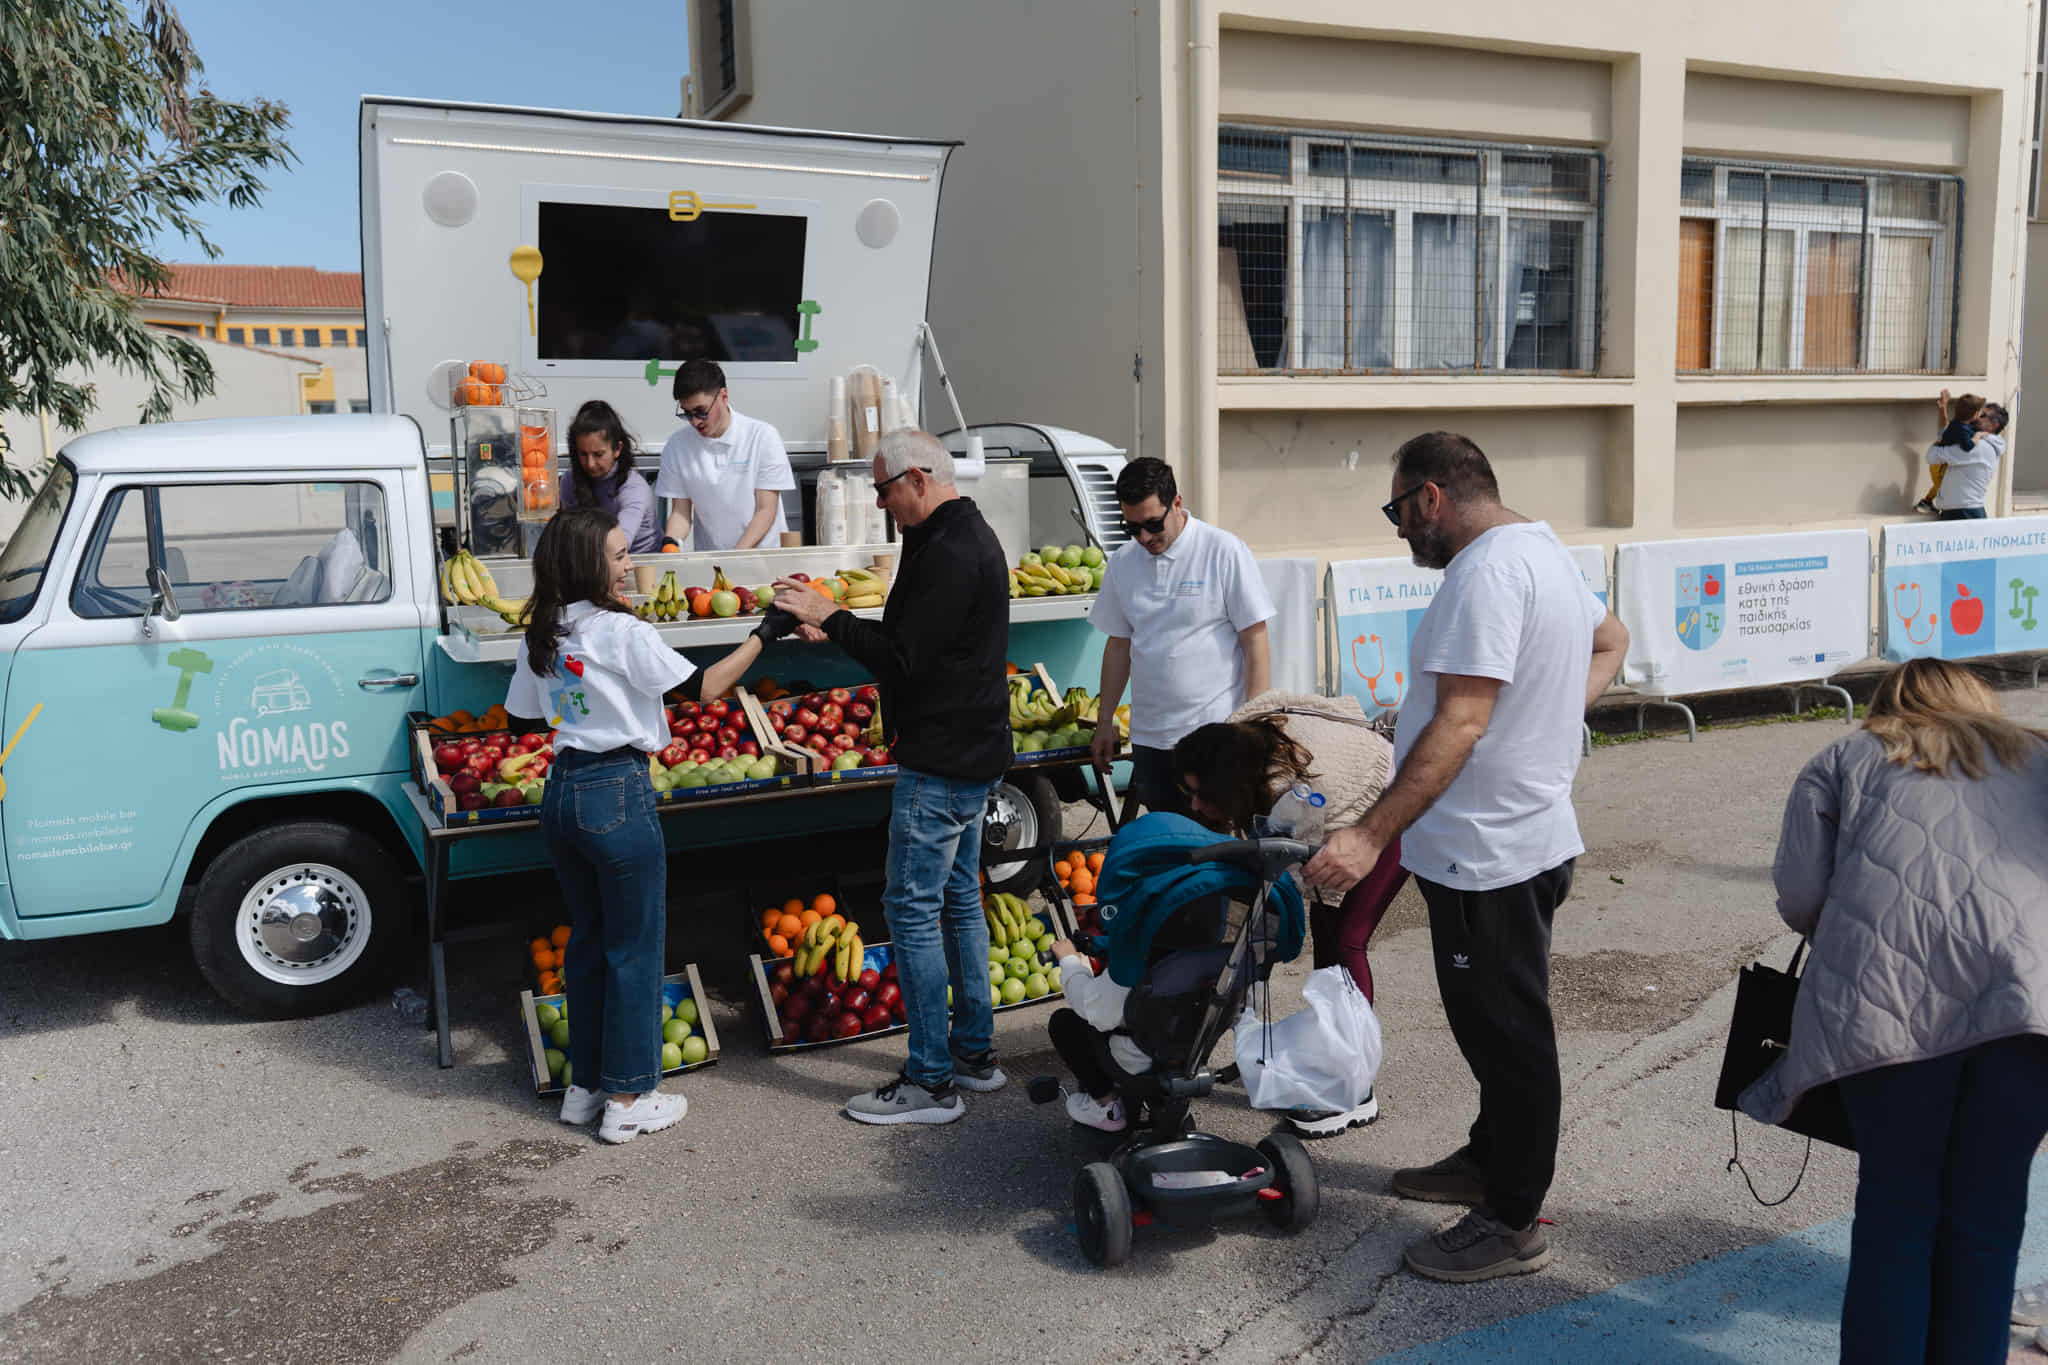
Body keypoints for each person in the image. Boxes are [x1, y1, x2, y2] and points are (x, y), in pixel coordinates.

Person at [1300, 431, 1629, 1283]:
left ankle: (1514, 1217)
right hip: (1506, 844)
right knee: (1491, 1029)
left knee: (1511, 1036)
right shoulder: (1542, 550)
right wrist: (1550, 718)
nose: (1400, 529)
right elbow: (1612, 641)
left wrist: (1368, 834)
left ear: (1433, 497)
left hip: (1493, 856)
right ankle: (1489, 1159)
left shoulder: (1484, 572)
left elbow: (1461, 722)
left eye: (1399, 509)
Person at [1743, 658, 2048, 1365]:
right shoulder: (2035, 753)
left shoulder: (1845, 758)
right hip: (2025, 1010)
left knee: (1895, 1212)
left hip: (1883, 1009)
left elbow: (1797, 893)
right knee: (1989, 1219)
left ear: (1888, 702)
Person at [507, 505, 790, 1144]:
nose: (628, 562)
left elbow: (523, 718)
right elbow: (704, 690)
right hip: (617, 790)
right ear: (587, 565)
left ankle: (584, 1089)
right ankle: (630, 1098)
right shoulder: (621, 632)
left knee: (587, 943)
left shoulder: (544, 630)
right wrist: (766, 634)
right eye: (616, 554)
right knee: (634, 949)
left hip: (563, 792)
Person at [770, 430, 1012, 1125]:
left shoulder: (949, 550)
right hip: (974, 751)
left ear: (915, 478)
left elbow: (902, 659)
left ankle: (931, 1079)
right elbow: (917, 639)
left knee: (910, 909)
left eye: (881, 490)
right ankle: (973, 1053)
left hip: (939, 762)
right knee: (960, 902)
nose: (879, 503)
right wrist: (840, 627)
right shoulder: (956, 534)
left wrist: (829, 614)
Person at [1173, 691, 1403, 1138]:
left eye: (1201, 795)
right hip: (1345, 787)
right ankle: (1323, 1049)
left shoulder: (1288, 796)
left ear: (1228, 784)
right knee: (1327, 931)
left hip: (1391, 807)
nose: (1195, 806)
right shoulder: (1243, 732)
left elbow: (1294, 877)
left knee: (1347, 939)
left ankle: (1352, 1088)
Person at [1089, 457, 1274, 815]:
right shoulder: (1123, 563)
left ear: (1177, 502)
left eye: (1152, 524)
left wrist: (1253, 726)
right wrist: (1104, 720)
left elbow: (1256, 639)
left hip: (1216, 736)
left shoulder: (1223, 550)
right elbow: (1118, 645)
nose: (1144, 537)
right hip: (1150, 739)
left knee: (1220, 848)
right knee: (1167, 848)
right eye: (1133, 528)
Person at [655, 358, 795, 552]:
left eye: (701, 411)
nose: (695, 422)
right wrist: (670, 543)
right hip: (712, 561)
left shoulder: (762, 436)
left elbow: (766, 510)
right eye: (687, 413)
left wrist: (735, 557)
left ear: (723, 396)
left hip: (764, 556)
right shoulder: (677, 446)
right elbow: (681, 513)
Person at [561, 401, 660, 554]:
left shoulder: (634, 488)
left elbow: (619, 544)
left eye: (598, 454)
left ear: (617, 449)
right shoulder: (569, 481)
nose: (591, 464)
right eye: (583, 454)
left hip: (639, 565)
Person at [1919, 391, 2009, 521]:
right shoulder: (1976, 439)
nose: (1976, 417)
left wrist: (1937, 444)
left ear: (1993, 426)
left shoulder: (1978, 447)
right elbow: (1945, 433)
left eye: (1982, 415)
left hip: (1963, 513)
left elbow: (1932, 456)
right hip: (1962, 511)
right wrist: (1943, 409)